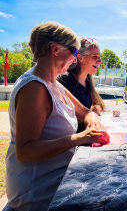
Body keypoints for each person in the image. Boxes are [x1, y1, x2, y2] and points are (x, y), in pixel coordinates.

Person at [5, 22, 110, 211]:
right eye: (74, 52)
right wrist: (79, 138)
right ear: (55, 49)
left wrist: (94, 124)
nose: (75, 59)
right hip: (37, 192)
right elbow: (25, 150)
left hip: (58, 181)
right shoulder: (34, 88)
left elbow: (85, 112)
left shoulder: (53, 82)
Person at [58, 38, 106, 132]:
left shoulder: (88, 81)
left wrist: (96, 108)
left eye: (99, 57)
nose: (100, 61)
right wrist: (90, 114)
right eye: (95, 57)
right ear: (80, 58)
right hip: (72, 139)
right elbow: (63, 117)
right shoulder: (65, 80)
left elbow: (96, 106)